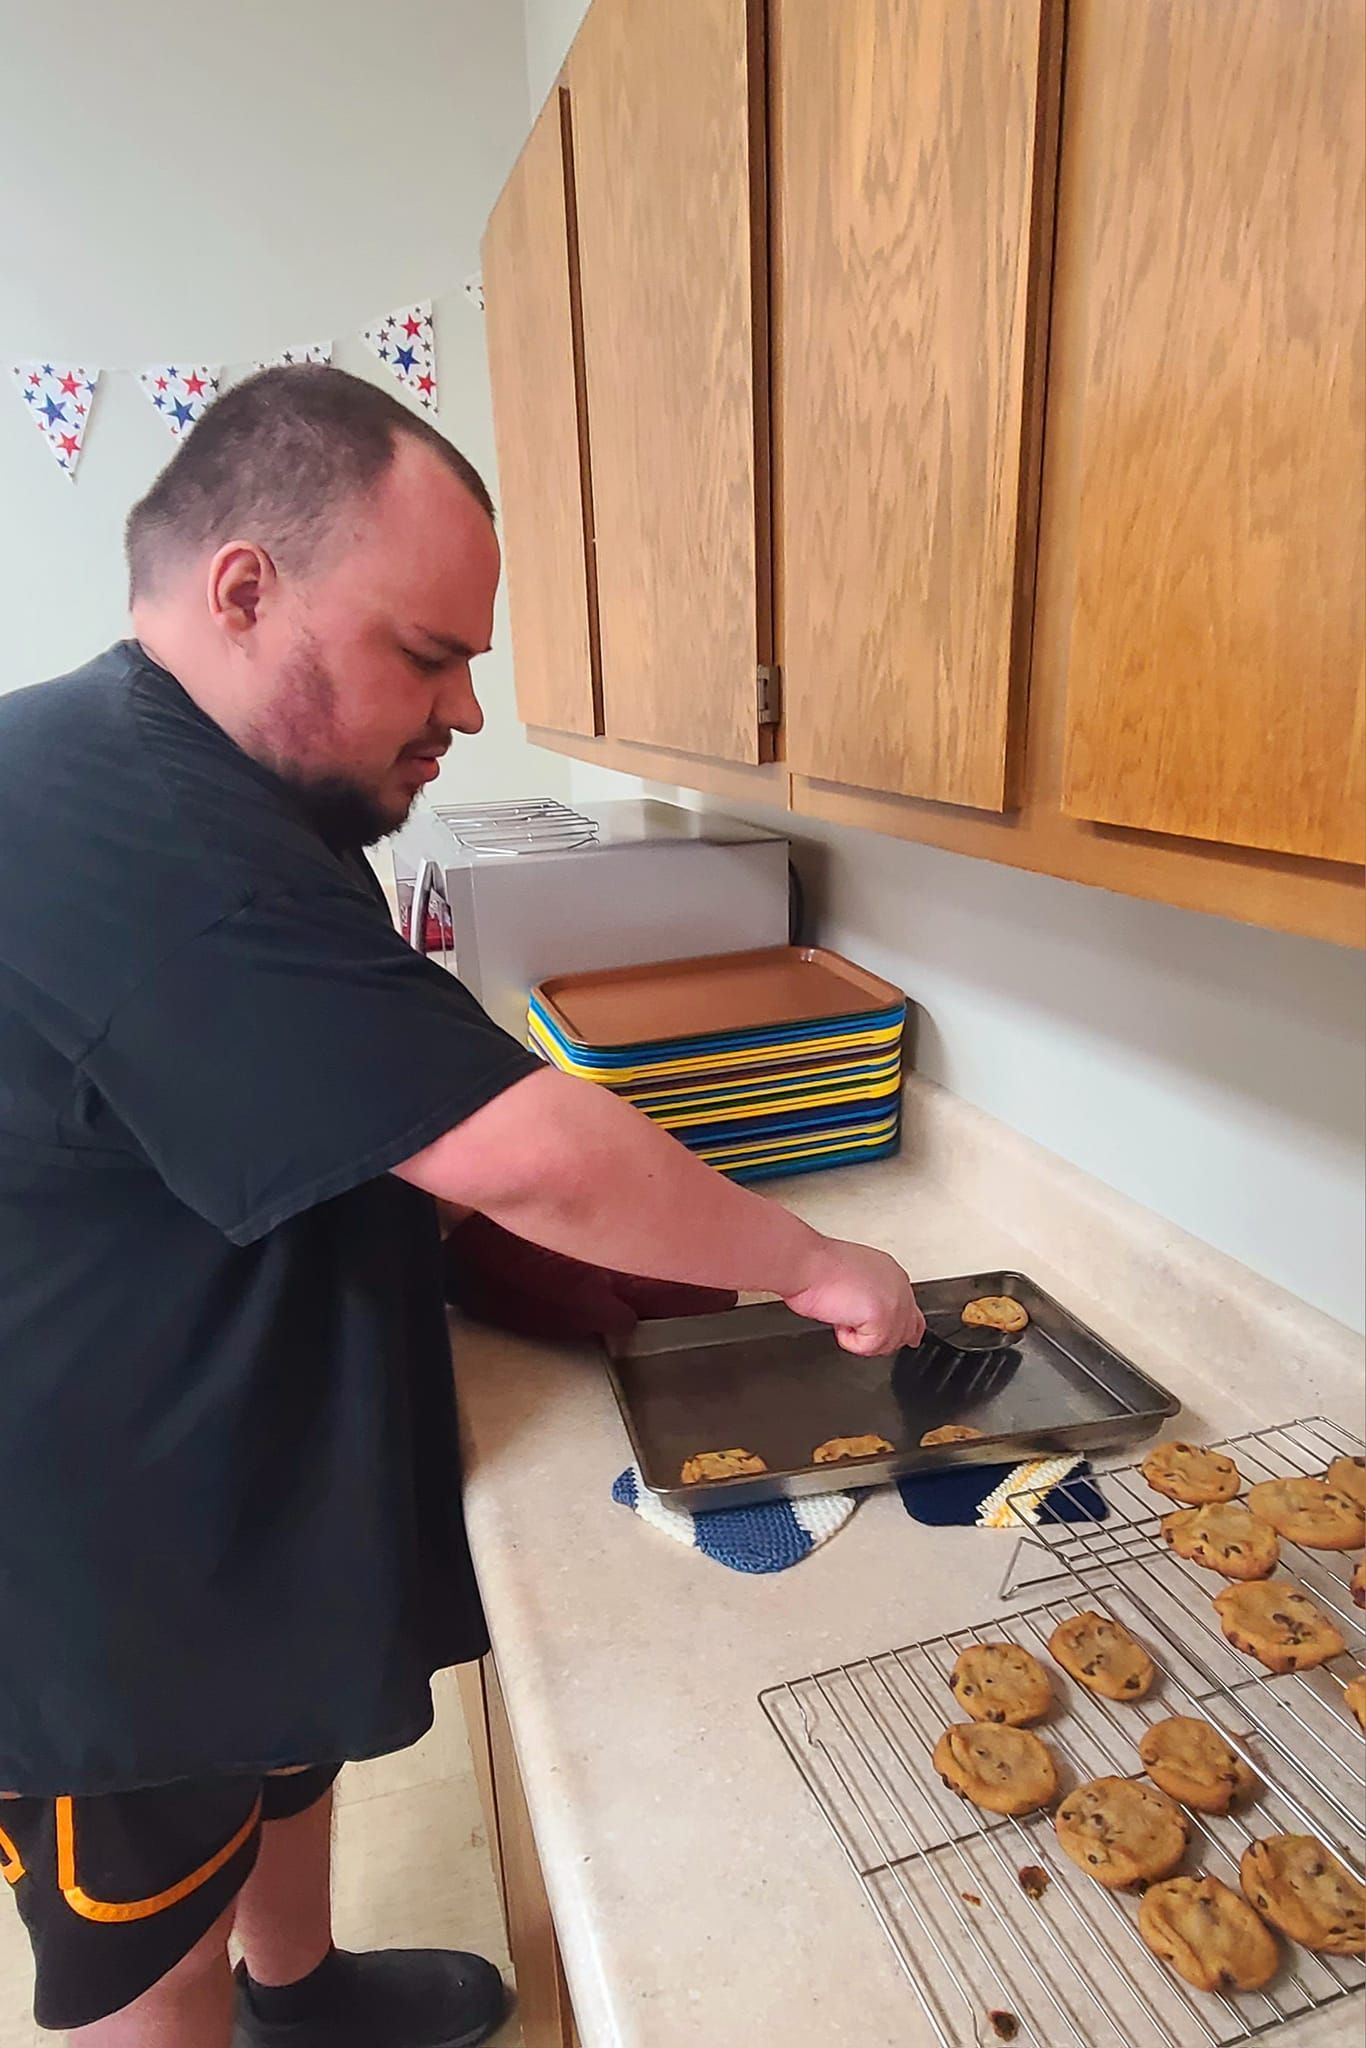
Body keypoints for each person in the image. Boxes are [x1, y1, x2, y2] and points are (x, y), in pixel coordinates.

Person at [0, 364, 923, 2048]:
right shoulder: (106, 811)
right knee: (147, 1946)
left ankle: (304, 1992)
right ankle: (235, 1996)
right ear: (243, 589)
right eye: (428, 656)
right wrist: (812, 1263)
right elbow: (511, 1141)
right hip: (93, 1523)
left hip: (227, 1462)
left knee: (286, 1755)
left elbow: (365, 1108)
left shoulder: (235, 802)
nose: (466, 712)